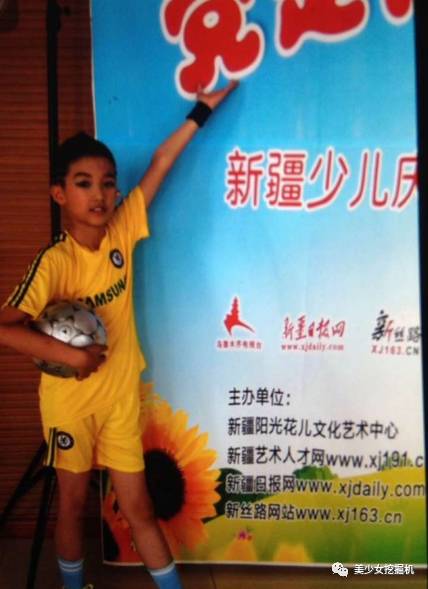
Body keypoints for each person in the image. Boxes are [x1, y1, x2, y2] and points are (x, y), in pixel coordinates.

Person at [0, 80, 238, 589]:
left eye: (108, 183)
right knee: (73, 503)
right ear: (59, 194)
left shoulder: (124, 229)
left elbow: (161, 162)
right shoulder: (54, 262)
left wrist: (201, 110)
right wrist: (71, 356)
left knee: (139, 507)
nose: (100, 194)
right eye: (84, 183)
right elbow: (6, 327)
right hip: (70, 404)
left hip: (121, 400)